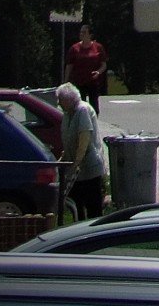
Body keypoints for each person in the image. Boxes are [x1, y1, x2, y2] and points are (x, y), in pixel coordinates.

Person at [54, 82, 107, 221]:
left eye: (60, 99)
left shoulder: (82, 110)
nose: (58, 103)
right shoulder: (68, 113)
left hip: (89, 167)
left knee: (92, 206)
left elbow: (84, 137)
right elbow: (69, 139)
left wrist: (77, 161)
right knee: (76, 203)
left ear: (69, 99)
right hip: (75, 168)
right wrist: (64, 158)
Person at [64, 24, 106, 111]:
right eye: (80, 32)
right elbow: (69, 66)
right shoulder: (74, 48)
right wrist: (66, 81)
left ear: (90, 35)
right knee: (80, 107)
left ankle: (93, 123)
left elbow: (104, 65)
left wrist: (98, 72)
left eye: (84, 32)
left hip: (93, 82)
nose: (81, 34)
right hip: (79, 82)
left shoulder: (98, 47)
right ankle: (82, 123)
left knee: (94, 107)